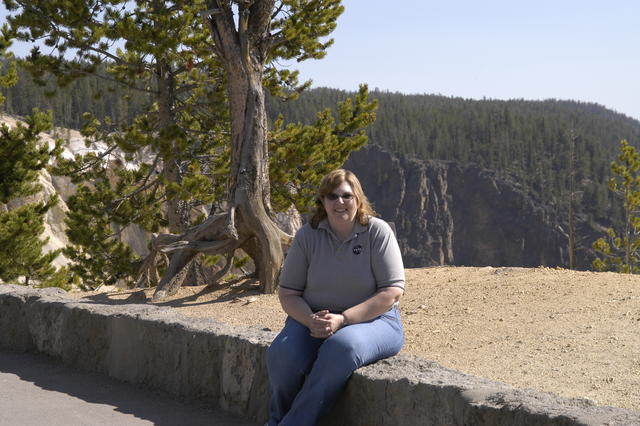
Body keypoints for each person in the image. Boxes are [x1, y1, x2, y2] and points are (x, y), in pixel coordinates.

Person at [266, 169, 405, 426]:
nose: (339, 202)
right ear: (323, 202)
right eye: (332, 196)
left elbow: (391, 292)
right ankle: (276, 419)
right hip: (315, 319)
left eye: (346, 196)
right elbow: (288, 293)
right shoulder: (308, 236)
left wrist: (343, 320)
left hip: (376, 322)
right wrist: (310, 320)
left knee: (342, 347)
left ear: (358, 200)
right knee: (282, 355)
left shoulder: (377, 232)